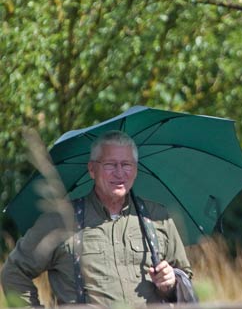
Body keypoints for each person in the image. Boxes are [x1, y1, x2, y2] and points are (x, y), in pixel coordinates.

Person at [1, 130, 193, 306]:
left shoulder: (157, 216)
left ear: (135, 170)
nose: (119, 173)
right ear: (92, 169)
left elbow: (185, 278)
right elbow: (14, 272)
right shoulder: (59, 220)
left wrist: (171, 284)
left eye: (126, 164)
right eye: (110, 164)